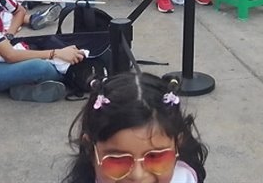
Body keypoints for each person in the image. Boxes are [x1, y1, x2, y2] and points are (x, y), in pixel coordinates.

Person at [62, 72, 208, 183]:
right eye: (118, 160)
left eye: (155, 157)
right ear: (90, 150)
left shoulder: (184, 178)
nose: (138, 176)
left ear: (178, 145)